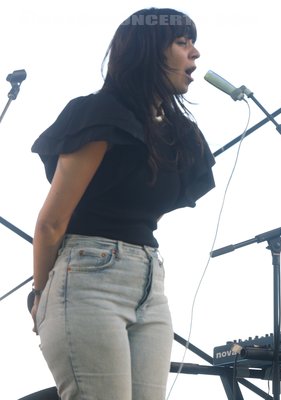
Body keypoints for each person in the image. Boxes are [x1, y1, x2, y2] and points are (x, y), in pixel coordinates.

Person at [29, 8, 215, 400]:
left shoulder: (178, 135)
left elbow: (145, 209)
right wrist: (40, 296)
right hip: (87, 277)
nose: (195, 54)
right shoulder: (101, 115)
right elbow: (51, 222)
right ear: (149, 52)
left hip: (149, 281)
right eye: (182, 43)